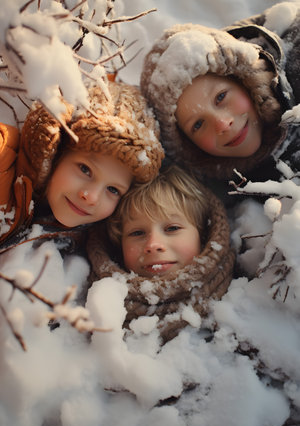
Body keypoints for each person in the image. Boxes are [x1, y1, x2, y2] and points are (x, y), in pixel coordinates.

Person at [140, 2, 300, 185]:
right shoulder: (231, 183)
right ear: (188, 145)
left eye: (221, 97)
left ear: (243, 80)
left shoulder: (295, 51)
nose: (222, 124)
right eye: (198, 124)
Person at [0, 81, 164, 247]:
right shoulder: (2, 157)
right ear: (54, 153)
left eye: (113, 189)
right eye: (85, 169)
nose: (91, 197)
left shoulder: (83, 242)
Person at [87, 164, 235, 343]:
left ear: (203, 234)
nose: (153, 245)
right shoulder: (92, 310)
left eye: (172, 228)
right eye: (137, 233)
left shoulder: (240, 303)